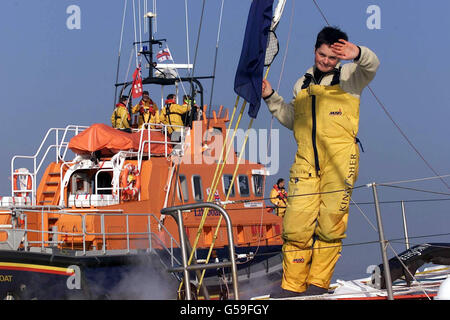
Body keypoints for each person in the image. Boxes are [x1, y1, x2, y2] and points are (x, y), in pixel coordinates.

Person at [262, 26, 380, 298]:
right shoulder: (301, 83)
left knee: (330, 224)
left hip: (340, 162)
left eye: (332, 57)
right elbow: (294, 120)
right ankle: (292, 287)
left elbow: (373, 66)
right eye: (322, 55)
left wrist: (358, 53)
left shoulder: (351, 75)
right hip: (305, 161)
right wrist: (270, 96)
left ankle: (317, 284)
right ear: (315, 50)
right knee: (295, 227)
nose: (327, 61)